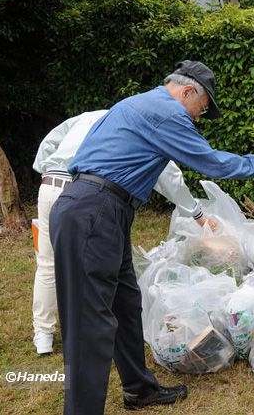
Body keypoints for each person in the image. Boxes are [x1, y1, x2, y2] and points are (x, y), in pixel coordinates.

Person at [49, 60, 254, 414]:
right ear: (188, 91)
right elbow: (211, 163)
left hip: (101, 210)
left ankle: (138, 389)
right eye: (202, 109)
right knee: (89, 325)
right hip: (94, 213)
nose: (199, 118)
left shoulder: (137, 104)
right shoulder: (166, 113)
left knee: (127, 304)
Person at [31, 110, 210, 355]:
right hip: (83, 191)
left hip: (50, 187)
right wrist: (197, 213)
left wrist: (45, 168)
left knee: (48, 263)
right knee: (96, 268)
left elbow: (51, 140)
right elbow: (169, 175)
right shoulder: (138, 124)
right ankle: (93, 336)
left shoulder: (89, 116)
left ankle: (43, 336)